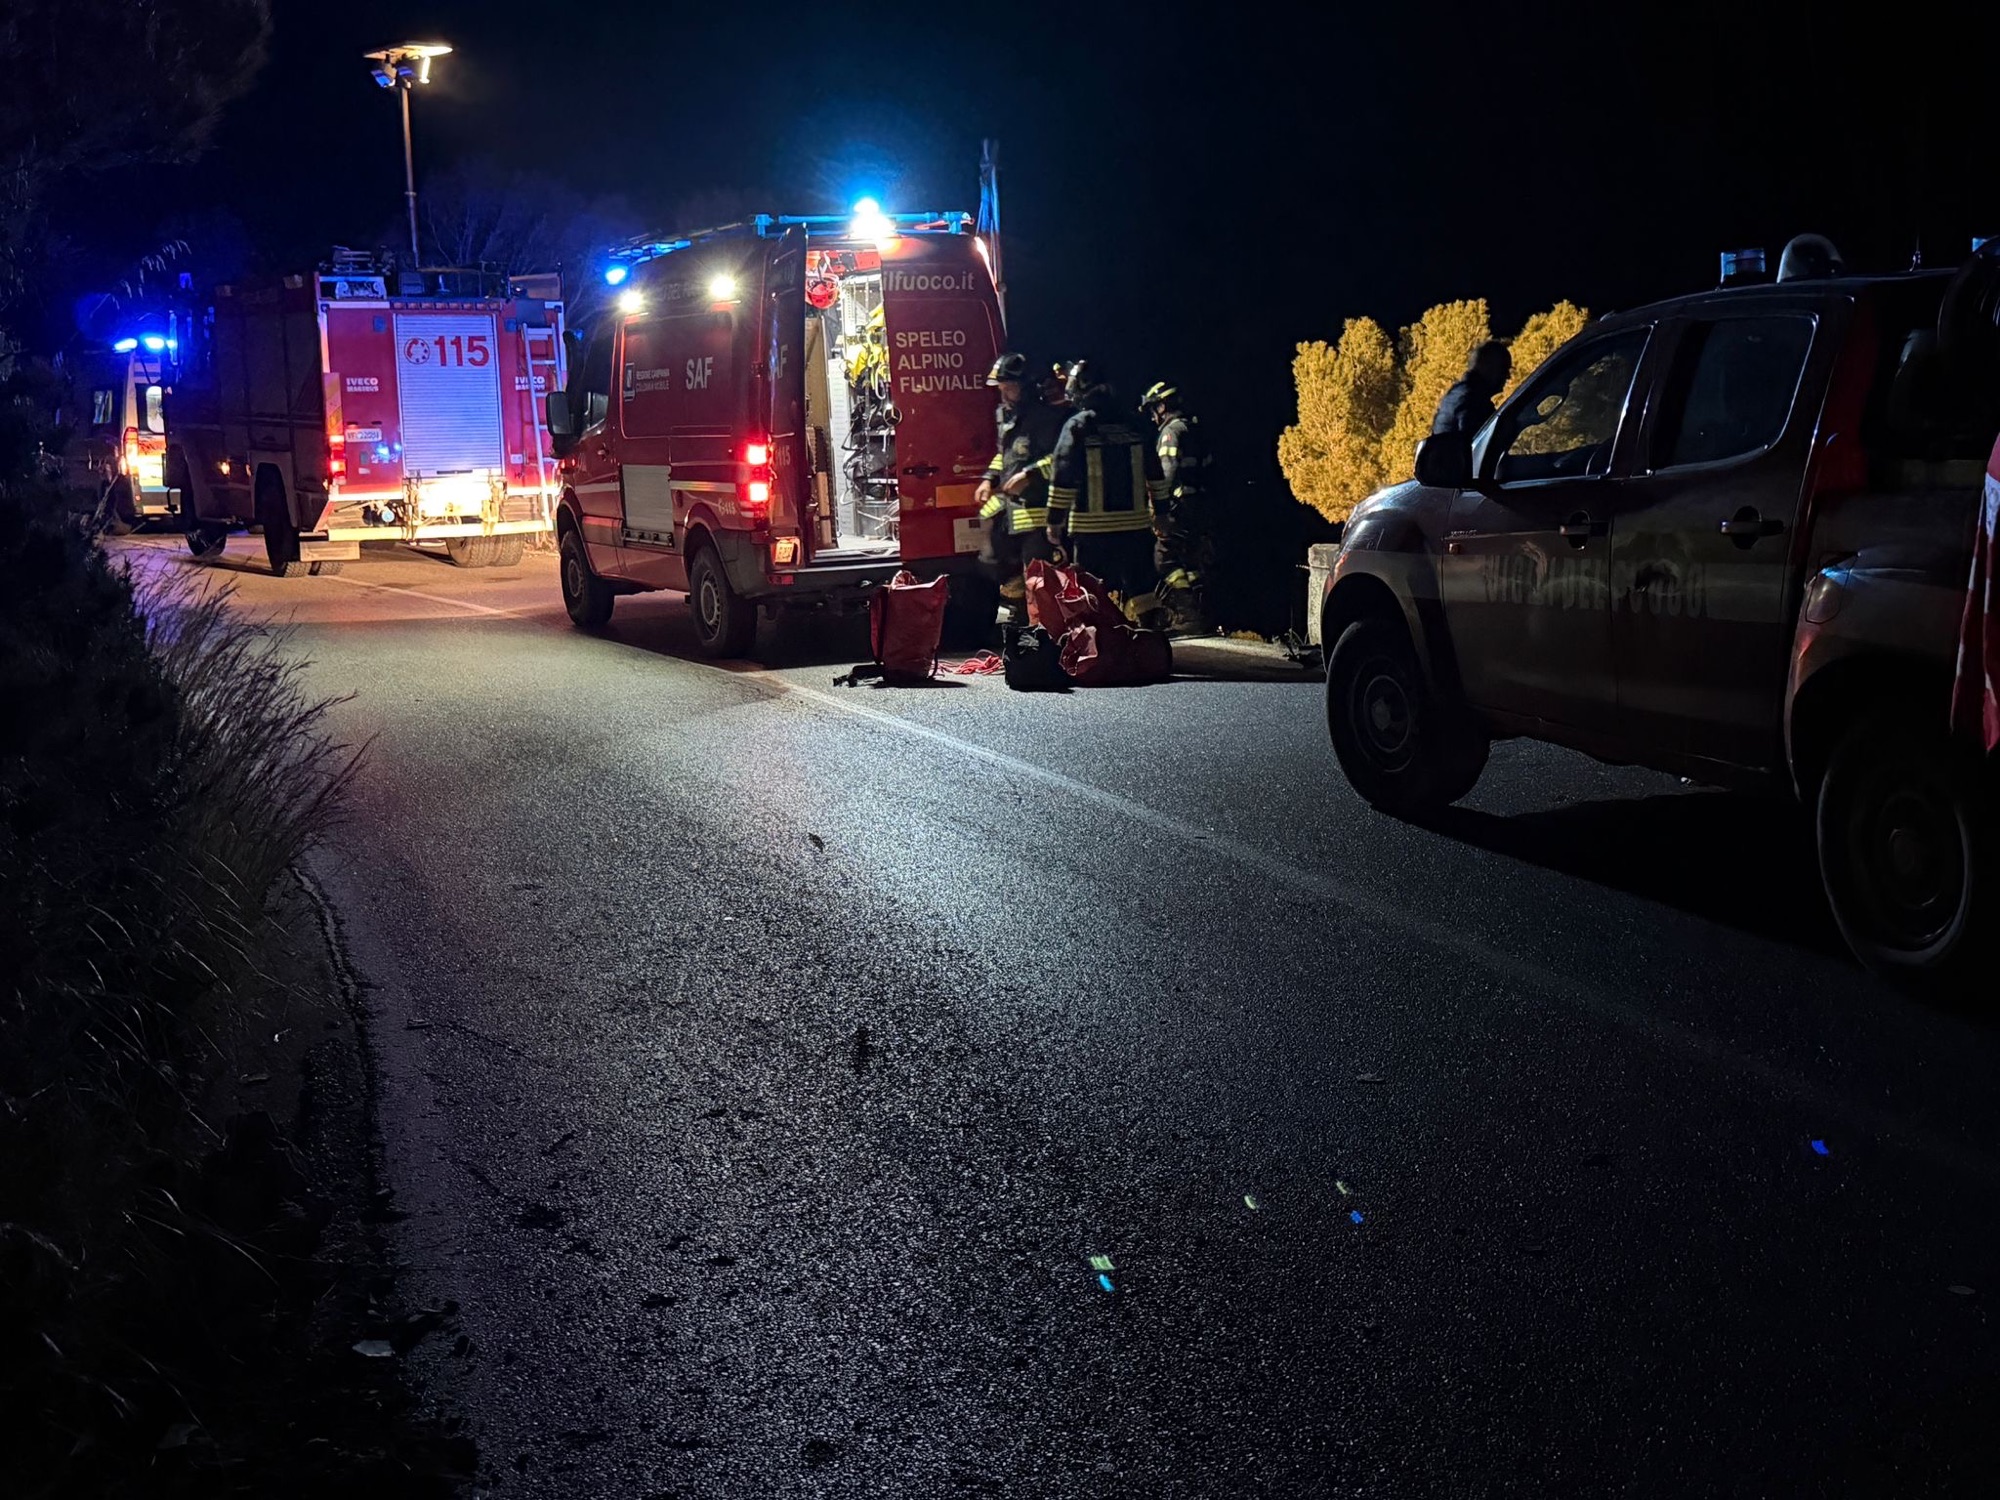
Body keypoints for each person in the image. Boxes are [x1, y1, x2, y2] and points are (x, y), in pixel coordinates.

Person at [1047, 360, 1167, 602]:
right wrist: (1162, 513)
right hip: (1135, 527)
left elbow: (1063, 474)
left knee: (1089, 592)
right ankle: (1150, 634)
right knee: (1142, 588)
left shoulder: (1077, 426)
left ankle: (1098, 638)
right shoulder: (1135, 423)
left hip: (1091, 531)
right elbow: (1155, 472)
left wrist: (1054, 521)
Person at [974, 353, 1066, 619]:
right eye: (1001, 387)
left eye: (1009, 387)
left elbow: (1060, 459)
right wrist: (989, 478)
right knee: (989, 559)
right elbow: (1005, 453)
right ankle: (1020, 608)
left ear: (1027, 387)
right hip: (1009, 508)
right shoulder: (1005, 414)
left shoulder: (1049, 418)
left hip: (1037, 509)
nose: (1003, 392)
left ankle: (1040, 632)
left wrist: (1030, 475)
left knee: (1037, 576)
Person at [1140, 380, 1213, 634]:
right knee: (1191, 561)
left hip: (1179, 506)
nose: (1152, 417)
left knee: (1164, 560)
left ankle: (1188, 614)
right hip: (1200, 505)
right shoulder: (1194, 429)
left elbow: (1166, 473)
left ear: (1162, 406)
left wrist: (1157, 509)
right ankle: (1203, 615)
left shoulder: (1171, 432)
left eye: (1153, 409)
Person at [1432, 341, 1512, 436]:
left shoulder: (1462, 395)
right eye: (1504, 368)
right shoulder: (1472, 401)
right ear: (1487, 366)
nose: (1508, 376)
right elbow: (1475, 444)